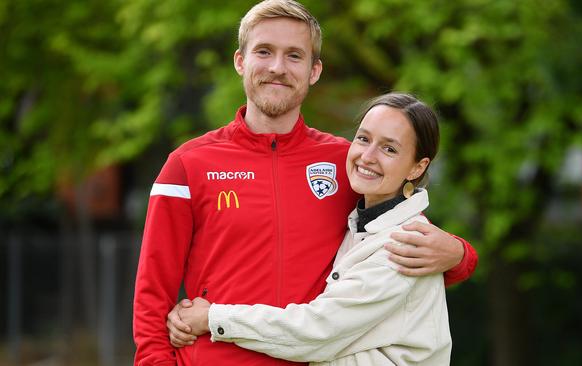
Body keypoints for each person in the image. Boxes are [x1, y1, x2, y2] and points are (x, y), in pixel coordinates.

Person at [132, 1, 477, 365]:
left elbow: (398, 242)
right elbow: (153, 295)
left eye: (294, 56)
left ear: (314, 71)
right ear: (240, 61)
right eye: (264, 51)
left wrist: (459, 254)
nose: (277, 68)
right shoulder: (188, 165)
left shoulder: (348, 165)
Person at [173, 92, 453, 365]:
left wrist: (213, 318)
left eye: (389, 148)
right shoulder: (361, 222)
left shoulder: (405, 244)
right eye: (363, 139)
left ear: (418, 167)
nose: (367, 156)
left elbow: (319, 330)